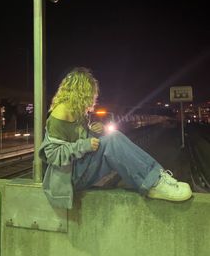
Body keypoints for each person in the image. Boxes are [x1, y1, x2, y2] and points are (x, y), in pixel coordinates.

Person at [39, 67, 192, 209]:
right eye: (91, 93)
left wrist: (95, 132)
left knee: (114, 137)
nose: (94, 97)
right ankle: (153, 184)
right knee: (113, 141)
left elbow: (80, 139)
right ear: (81, 91)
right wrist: (84, 145)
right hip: (68, 179)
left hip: (79, 169)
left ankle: (156, 177)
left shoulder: (79, 113)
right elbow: (52, 155)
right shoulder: (60, 114)